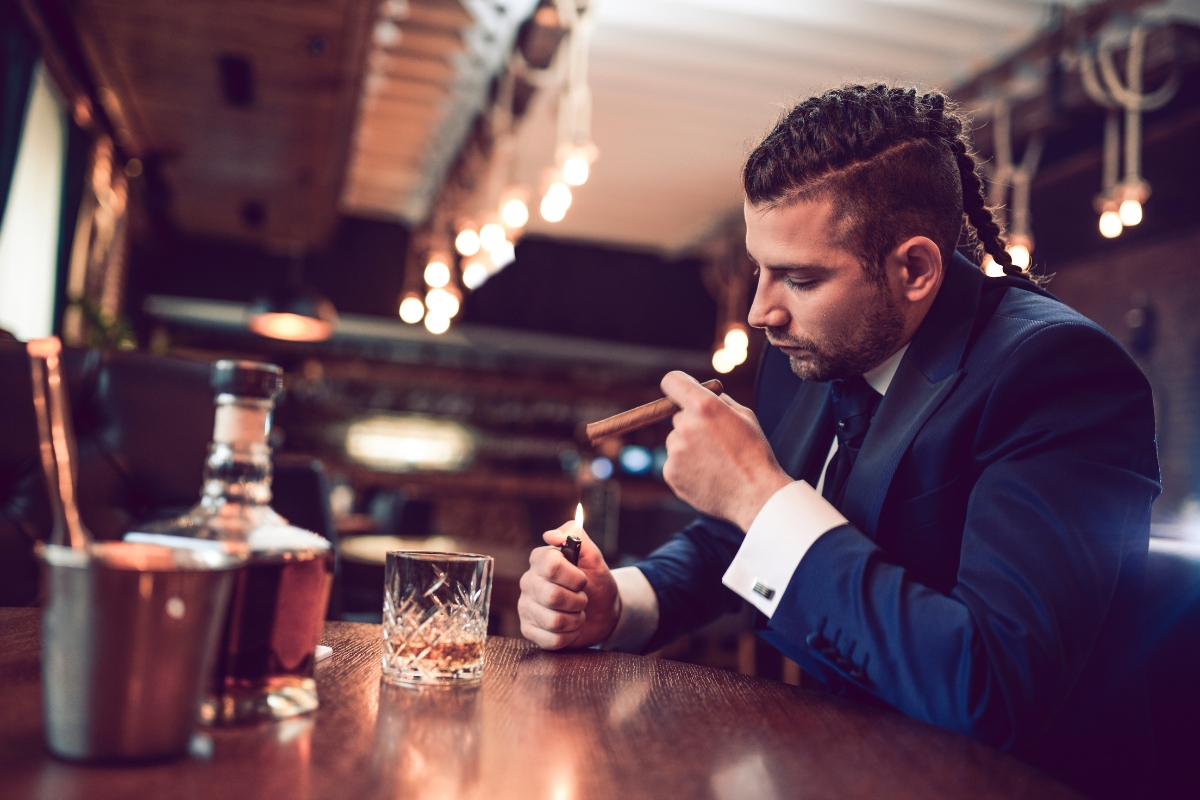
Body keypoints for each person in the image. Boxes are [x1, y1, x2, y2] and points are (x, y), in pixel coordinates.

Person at [517, 84, 1159, 800]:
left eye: (800, 278)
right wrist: (618, 602)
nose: (762, 311)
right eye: (760, 269)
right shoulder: (821, 346)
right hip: (842, 764)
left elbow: (992, 691)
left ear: (913, 270)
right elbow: (746, 535)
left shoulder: (1057, 375)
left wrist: (758, 497)